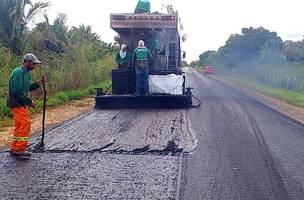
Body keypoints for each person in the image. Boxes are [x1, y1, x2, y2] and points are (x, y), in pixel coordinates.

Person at [7, 53, 45, 157]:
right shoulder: (17, 73)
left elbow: (28, 87)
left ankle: (15, 147)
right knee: (25, 124)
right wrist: (29, 102)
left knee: (20, 125)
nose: (35, 66)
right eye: (34, 63)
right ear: (28, 62)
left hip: (20, 102)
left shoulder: (26, 73)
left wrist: (39, 83)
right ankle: (19, 148)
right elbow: (19, 92)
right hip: (17, 102)